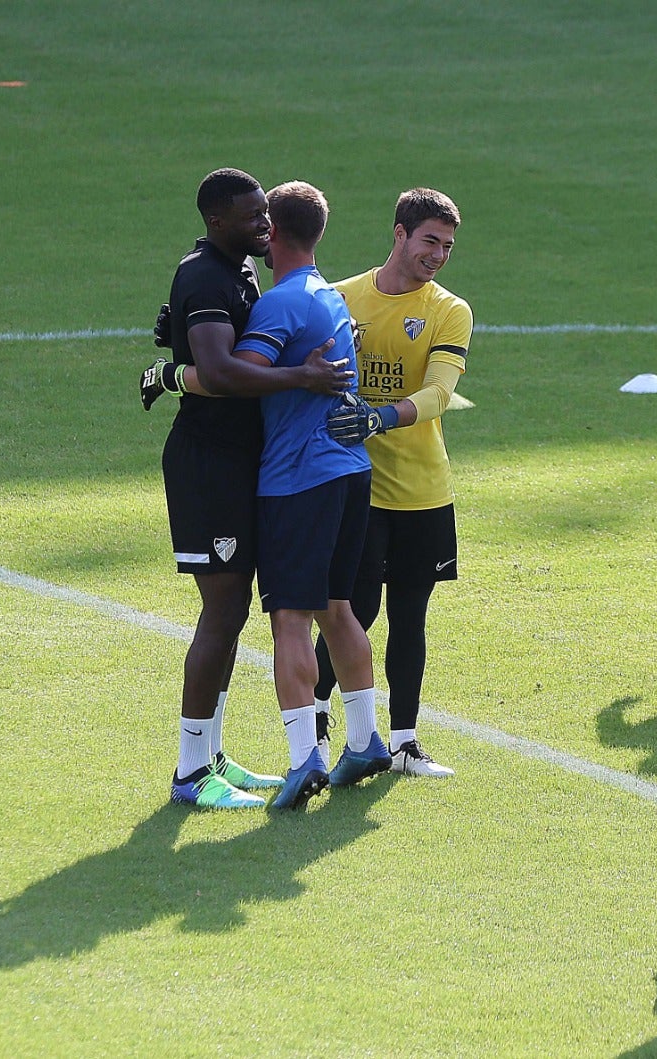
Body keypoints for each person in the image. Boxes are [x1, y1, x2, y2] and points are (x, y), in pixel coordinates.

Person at [144, 168, 352, 810]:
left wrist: (170, 356)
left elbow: (208, 351)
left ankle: (210, 757)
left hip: (241, 464)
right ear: (215, 219)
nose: (265, 224)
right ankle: (189, 771)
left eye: (267, 213)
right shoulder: (205, 273)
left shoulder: (235, 270)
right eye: (251, 215)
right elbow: (220, 371)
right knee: (224, 612)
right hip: (210, 467)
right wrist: (303, 378)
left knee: (234, 614)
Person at [229, 181, 390, 811]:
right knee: (337, 605)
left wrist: (183, 366)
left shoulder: (280, 306)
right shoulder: (327, 295)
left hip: (300, 477)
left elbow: (235, 377)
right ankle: (365, 740)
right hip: (351, 470)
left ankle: (304, 761)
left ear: (271, 232)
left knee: (290, 617)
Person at [310, 188, 473, 778]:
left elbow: (438, 393)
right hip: (354, 486)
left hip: (424, 490)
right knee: (349, 610)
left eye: (447, 246)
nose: (438, 255)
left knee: (411, 615)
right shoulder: (340, 298)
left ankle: (404, 743)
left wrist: (380, 416)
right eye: (430, 240)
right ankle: (320, 737)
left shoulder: (450, 310)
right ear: (399, 234)